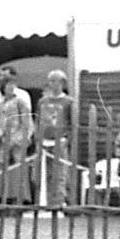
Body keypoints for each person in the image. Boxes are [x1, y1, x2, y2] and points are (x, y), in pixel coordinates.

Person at [0, 66, 34, 205]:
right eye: (7, 84)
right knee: (0, 166)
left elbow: (27, 123)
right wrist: (0, 137)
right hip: (1, 141)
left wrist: (17, 139)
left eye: (12, 84)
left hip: (17, 140)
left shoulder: (21, 103)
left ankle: (19, 197)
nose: (10, 87)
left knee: (18, 168)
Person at [38, 69, 78, 207]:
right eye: (51, 81)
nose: (53, 84)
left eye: (55, 81)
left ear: (62, 83)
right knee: (45, 173)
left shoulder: (68, 102)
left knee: (60, 174)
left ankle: (59, 202)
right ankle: (46, 201)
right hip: (44, 141)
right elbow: (39, 121)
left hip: (60, 141)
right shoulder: (42, 101)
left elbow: (73, 124)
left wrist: (68, 140)